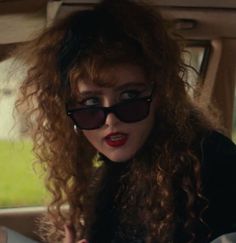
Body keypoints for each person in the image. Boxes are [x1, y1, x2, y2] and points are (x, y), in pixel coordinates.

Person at [15, 0, 236, 242]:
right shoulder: (108, 176)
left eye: (130, 96)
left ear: (160, 94)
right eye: (90, 104)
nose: (111, 120)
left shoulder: (215, 162)